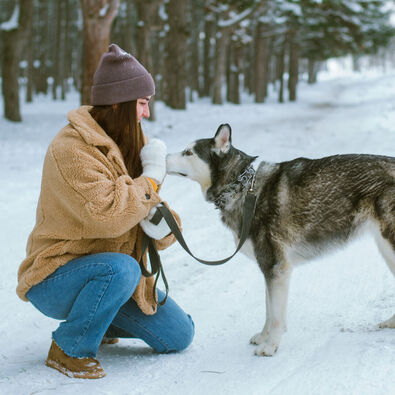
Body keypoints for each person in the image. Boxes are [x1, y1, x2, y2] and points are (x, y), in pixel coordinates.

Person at [17, 44, 194, 379]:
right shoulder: (70, 150)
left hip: (111, 275)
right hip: (57, 276)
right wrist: (151, 180)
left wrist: (164, 226)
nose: (146, 113)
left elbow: (146, 206)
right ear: (119, 102)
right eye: (142, 103)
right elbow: (109, 215)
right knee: (122, 269)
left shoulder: (131, 141)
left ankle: (99, 316)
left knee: (179, 335)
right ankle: (69, 348)